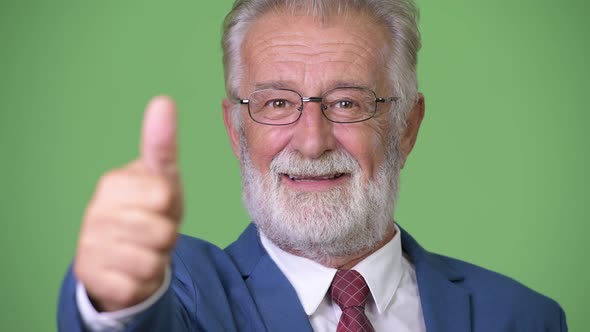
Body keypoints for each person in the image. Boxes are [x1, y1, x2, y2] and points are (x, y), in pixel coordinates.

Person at [58, 0, 568, 331]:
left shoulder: (525, 318)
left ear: (407, 127)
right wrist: (116, 304)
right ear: (237, 131)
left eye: (347, 102)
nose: (310, 141)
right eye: (277, 103)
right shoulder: (182, 292)